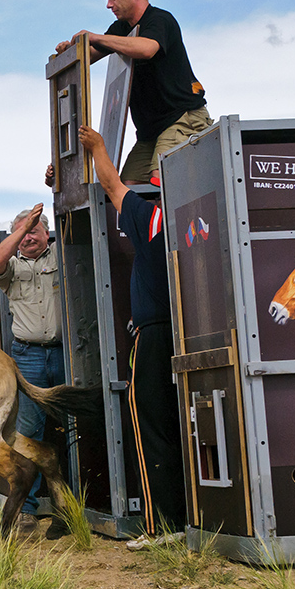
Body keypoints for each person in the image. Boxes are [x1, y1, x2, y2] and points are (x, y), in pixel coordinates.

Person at [80, 125, 186, 548]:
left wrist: (97, 147)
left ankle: (162, 526)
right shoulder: (200, 219)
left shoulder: (152, 215)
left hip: (155, 334)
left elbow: (111, 183)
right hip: (188, 332)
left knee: (150, 430)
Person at [56, 0, 211, 185]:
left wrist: (96, 37)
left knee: (161, 178)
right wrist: (72, 51)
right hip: (150, 133)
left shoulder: (160, 20)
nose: (109, 5)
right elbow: (88, 57)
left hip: (182, 119)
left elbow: (146, 49)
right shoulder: (120, 28)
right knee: (127, 189)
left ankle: (172, 220)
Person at [0, 204, 65, 535]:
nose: (29, 236)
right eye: (22, 232)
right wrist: (22, 227)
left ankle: (68, 509)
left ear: (47, 232)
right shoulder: (11, 267)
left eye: (34, 229)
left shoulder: (61, 256)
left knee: (69, 428)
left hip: (67, 352)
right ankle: (27, 510)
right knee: (28, 430)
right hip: (28, 355)